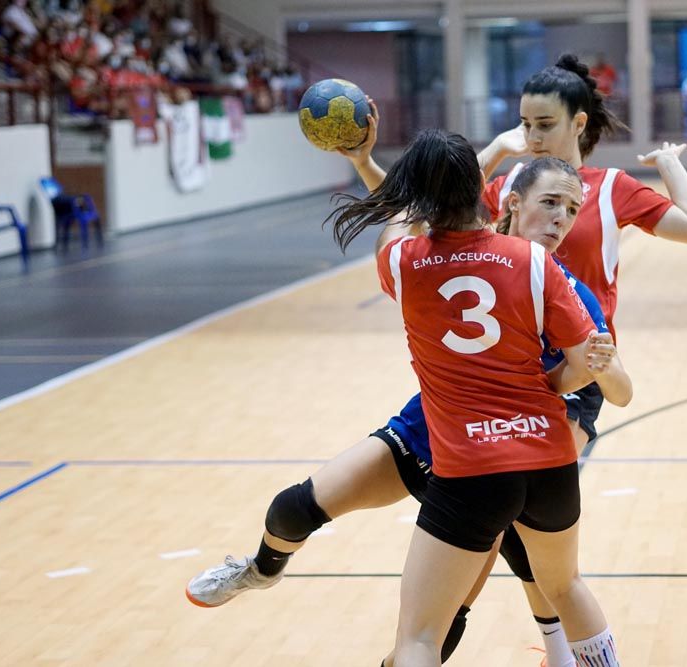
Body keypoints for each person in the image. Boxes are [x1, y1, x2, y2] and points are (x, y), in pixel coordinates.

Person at [186, 152, 631, 667]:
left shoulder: (559, 285)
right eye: (550, 203)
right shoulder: (473, 248)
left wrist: (574, 375)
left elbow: (594, 393)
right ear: (506, 203)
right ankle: (261, 569)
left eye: (572, 209)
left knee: (441, 623)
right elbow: (429, 198)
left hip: (478, 460)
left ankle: (555, 653)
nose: (560, 218)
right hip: (427, 435)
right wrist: (366, 160)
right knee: (295, 507)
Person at [334, 127, 621, 667]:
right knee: (566, 587)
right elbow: (588, 364)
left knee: (419, 637)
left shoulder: (402, 261)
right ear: (486, 193)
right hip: (550, 457)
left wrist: (372, 165)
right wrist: (551, 386)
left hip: (472, 465)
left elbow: (399, 221)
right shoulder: (533, 262)